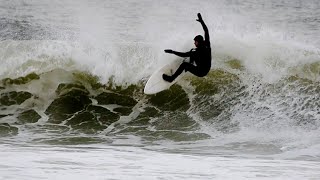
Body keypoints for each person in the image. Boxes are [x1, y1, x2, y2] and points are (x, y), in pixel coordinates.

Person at [162, 13, 211, 82]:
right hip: (207, 69)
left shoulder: (197, 51)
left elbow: (184, 55)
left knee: (184, 64)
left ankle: (171, 78)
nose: (194, 43)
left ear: (199, 42)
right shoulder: (207, 44)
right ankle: (191, 63)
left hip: (201, 72)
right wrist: (201, 21)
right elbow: (206, 31)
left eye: (195, 42)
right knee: (192, 52)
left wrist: (172, 51)